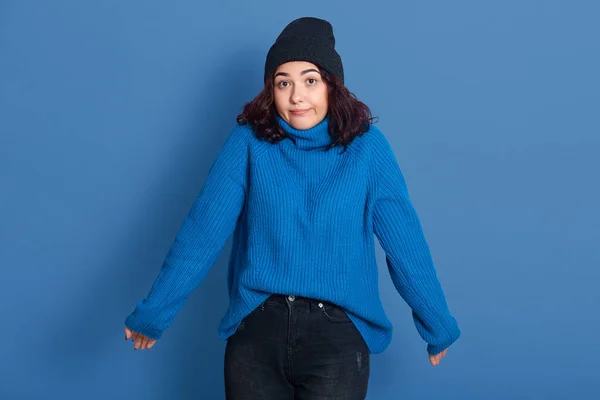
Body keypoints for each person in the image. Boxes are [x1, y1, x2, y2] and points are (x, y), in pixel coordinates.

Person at [124, 16, 461, 399]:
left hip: (337, 340)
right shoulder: (249, 142)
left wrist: (436, 322)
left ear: (333, 86)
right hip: (257, 334)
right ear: (272, 89)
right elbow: (202, 232)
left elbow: (405, 242)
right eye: (284, 82)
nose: (297, 96)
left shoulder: (368, 149)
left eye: (310, 80)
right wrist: (155, 311)